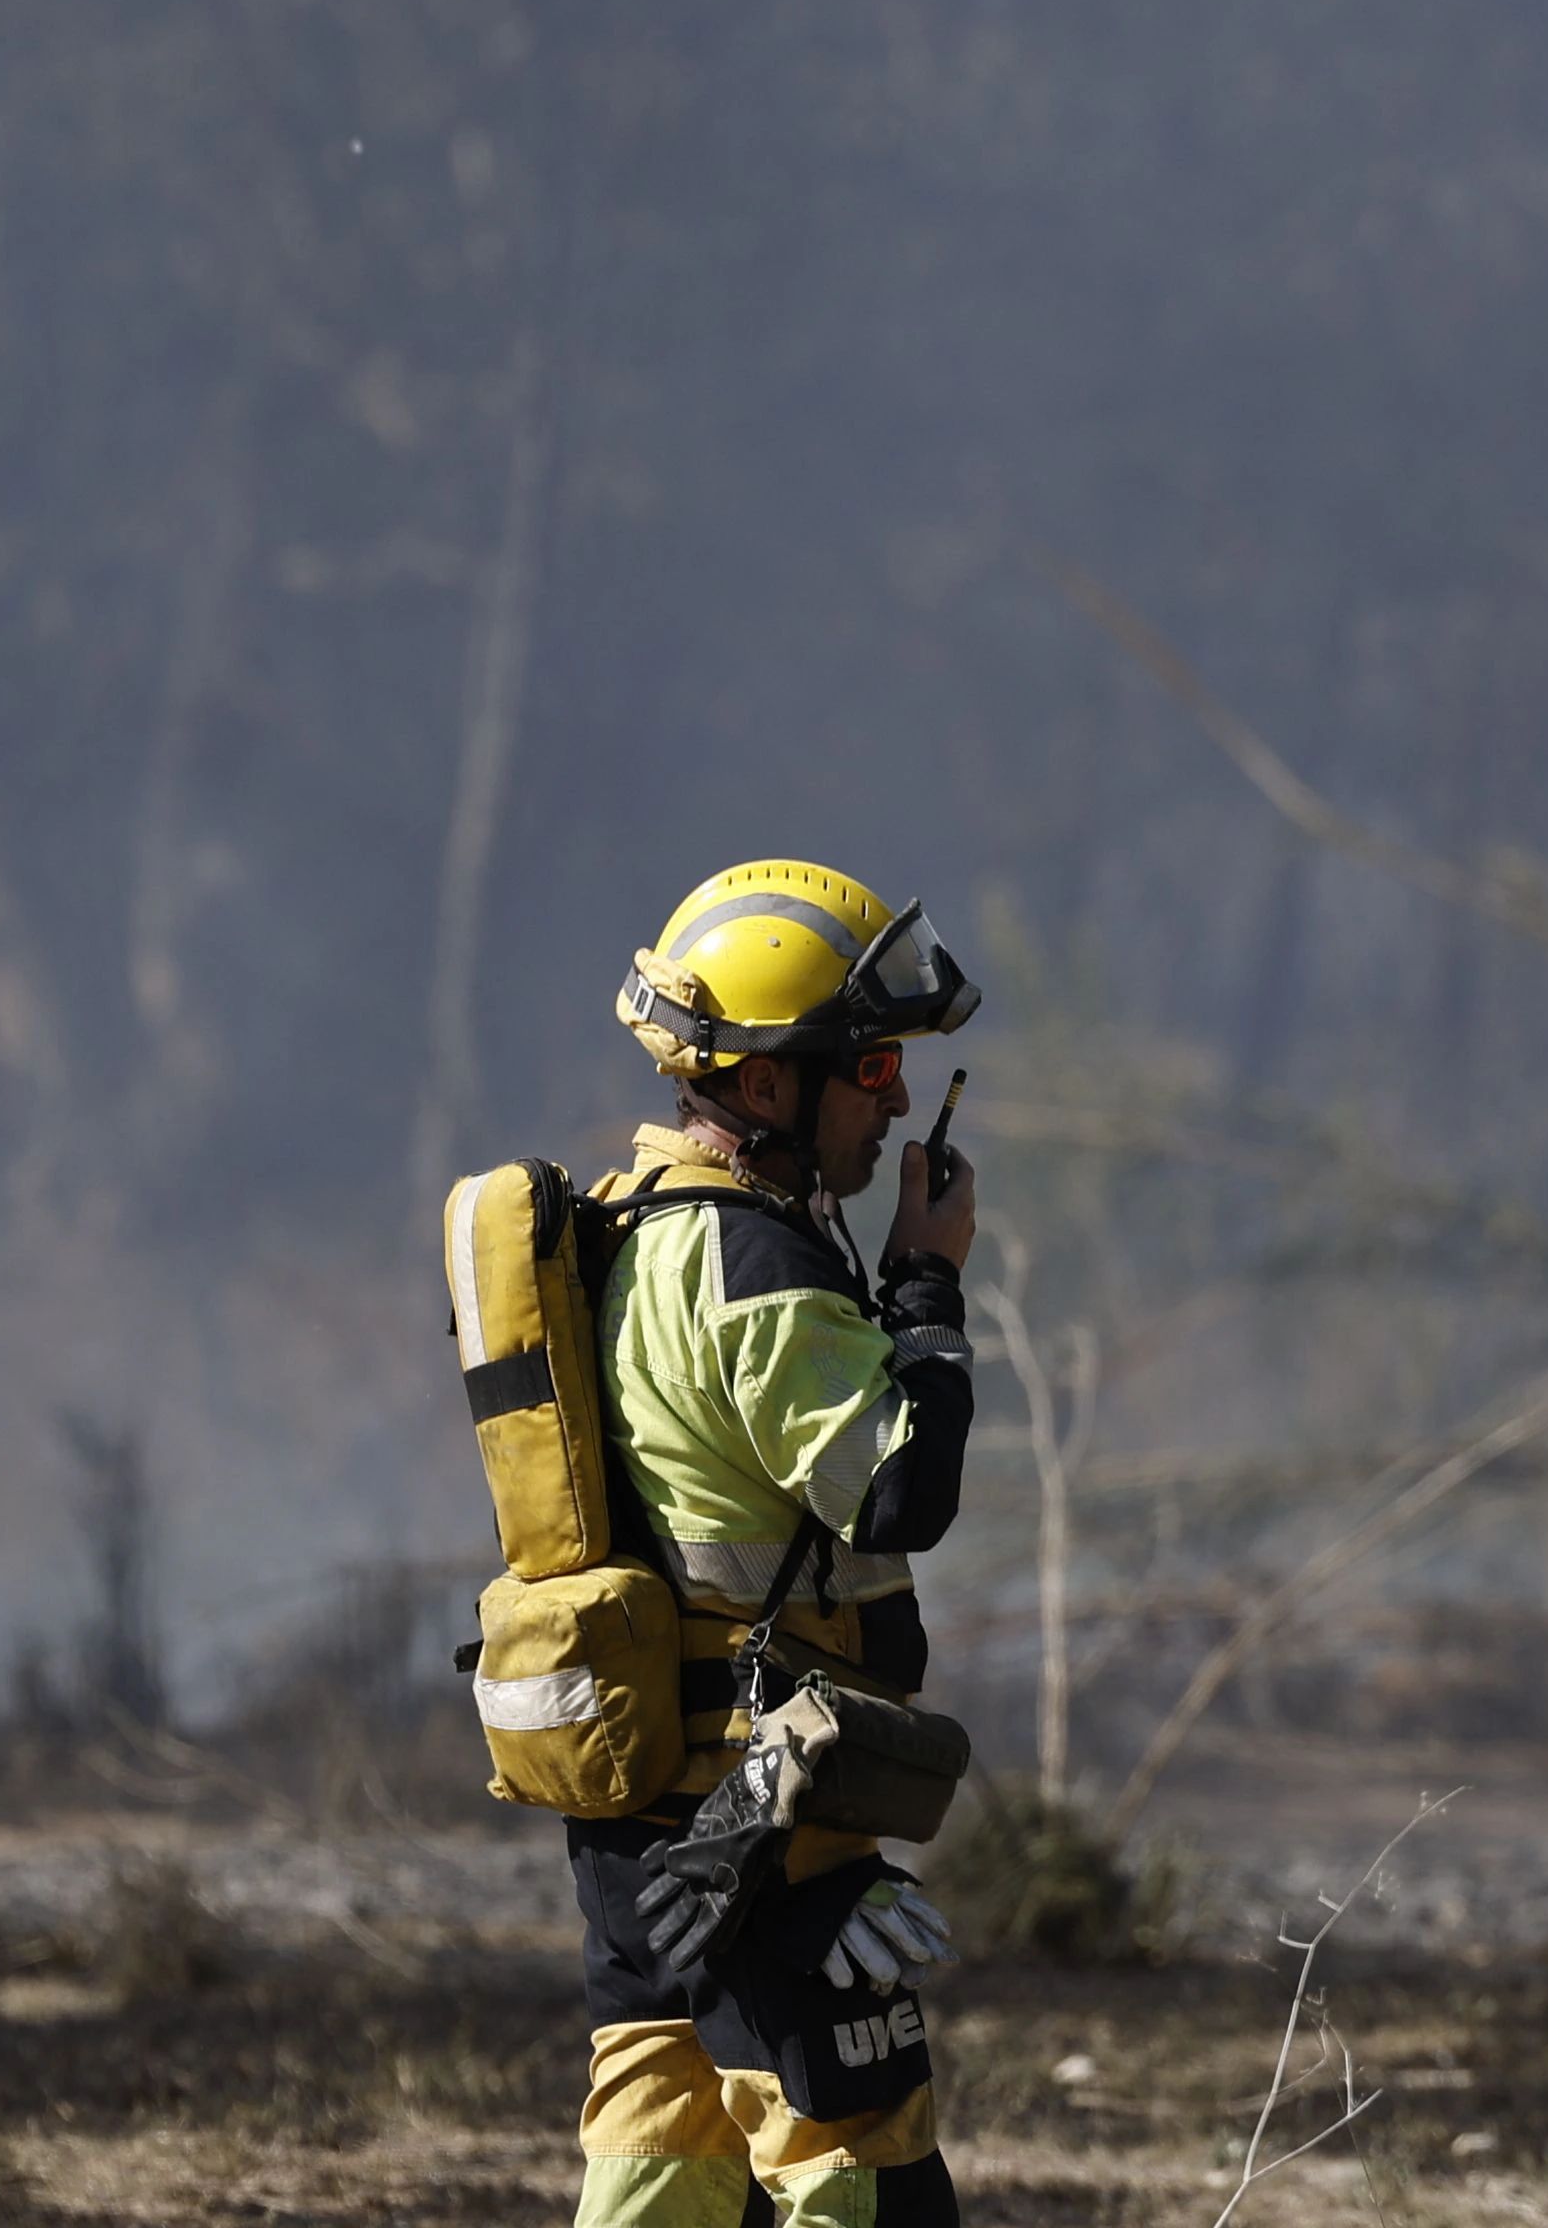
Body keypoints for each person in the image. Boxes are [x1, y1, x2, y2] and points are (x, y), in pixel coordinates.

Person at [566, 859, 984, 2228]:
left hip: (644, 1831)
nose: (898, 1099)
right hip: (763, 1835)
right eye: (866, 1067)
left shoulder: (633, 1230)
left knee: (659, 2184)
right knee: (865, 2188)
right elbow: (900, 1488)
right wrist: (926, 1288)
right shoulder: (753, 1264)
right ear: (760, 1085)